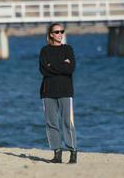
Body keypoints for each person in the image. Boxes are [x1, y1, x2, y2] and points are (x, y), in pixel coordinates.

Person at [39, 22, 77, 164]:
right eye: (57, 32)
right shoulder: (45, 51)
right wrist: (62, 64)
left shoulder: (68, 49)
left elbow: (70, 69)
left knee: (68, 122)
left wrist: (53, 65)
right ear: (51, 34)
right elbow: (44, 70)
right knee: (51, 123)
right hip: (47, 91)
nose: (60, 34)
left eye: (62, 31)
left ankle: (73, 152)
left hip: (66, 91)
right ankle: (57, 153)